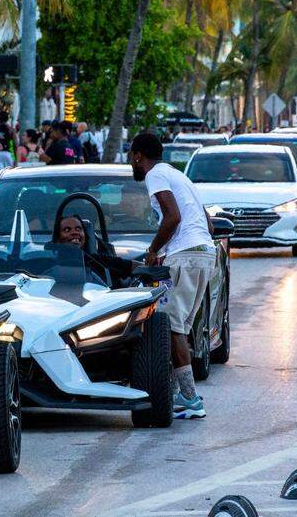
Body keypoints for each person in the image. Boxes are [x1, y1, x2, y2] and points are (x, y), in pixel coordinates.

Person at [129, 132, 216, 420]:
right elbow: (209, 224)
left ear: (138, 155)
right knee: (181, 326)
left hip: (187, 255)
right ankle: (187, 392)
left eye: (133, 156)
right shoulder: (180, 177)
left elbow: (173, 217)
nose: (133, 161)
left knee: (171, 325)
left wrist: (153, 250)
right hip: (205, 253)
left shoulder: (155, 175)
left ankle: (190, 398)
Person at [54, 214, 143, 286]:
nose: (74, 232)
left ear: (85, 235)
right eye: (67, 230)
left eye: (78, 229)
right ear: (58, 238)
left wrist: (151, 267)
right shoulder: (47, 264)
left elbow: (134, 266)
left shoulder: (99, 262)